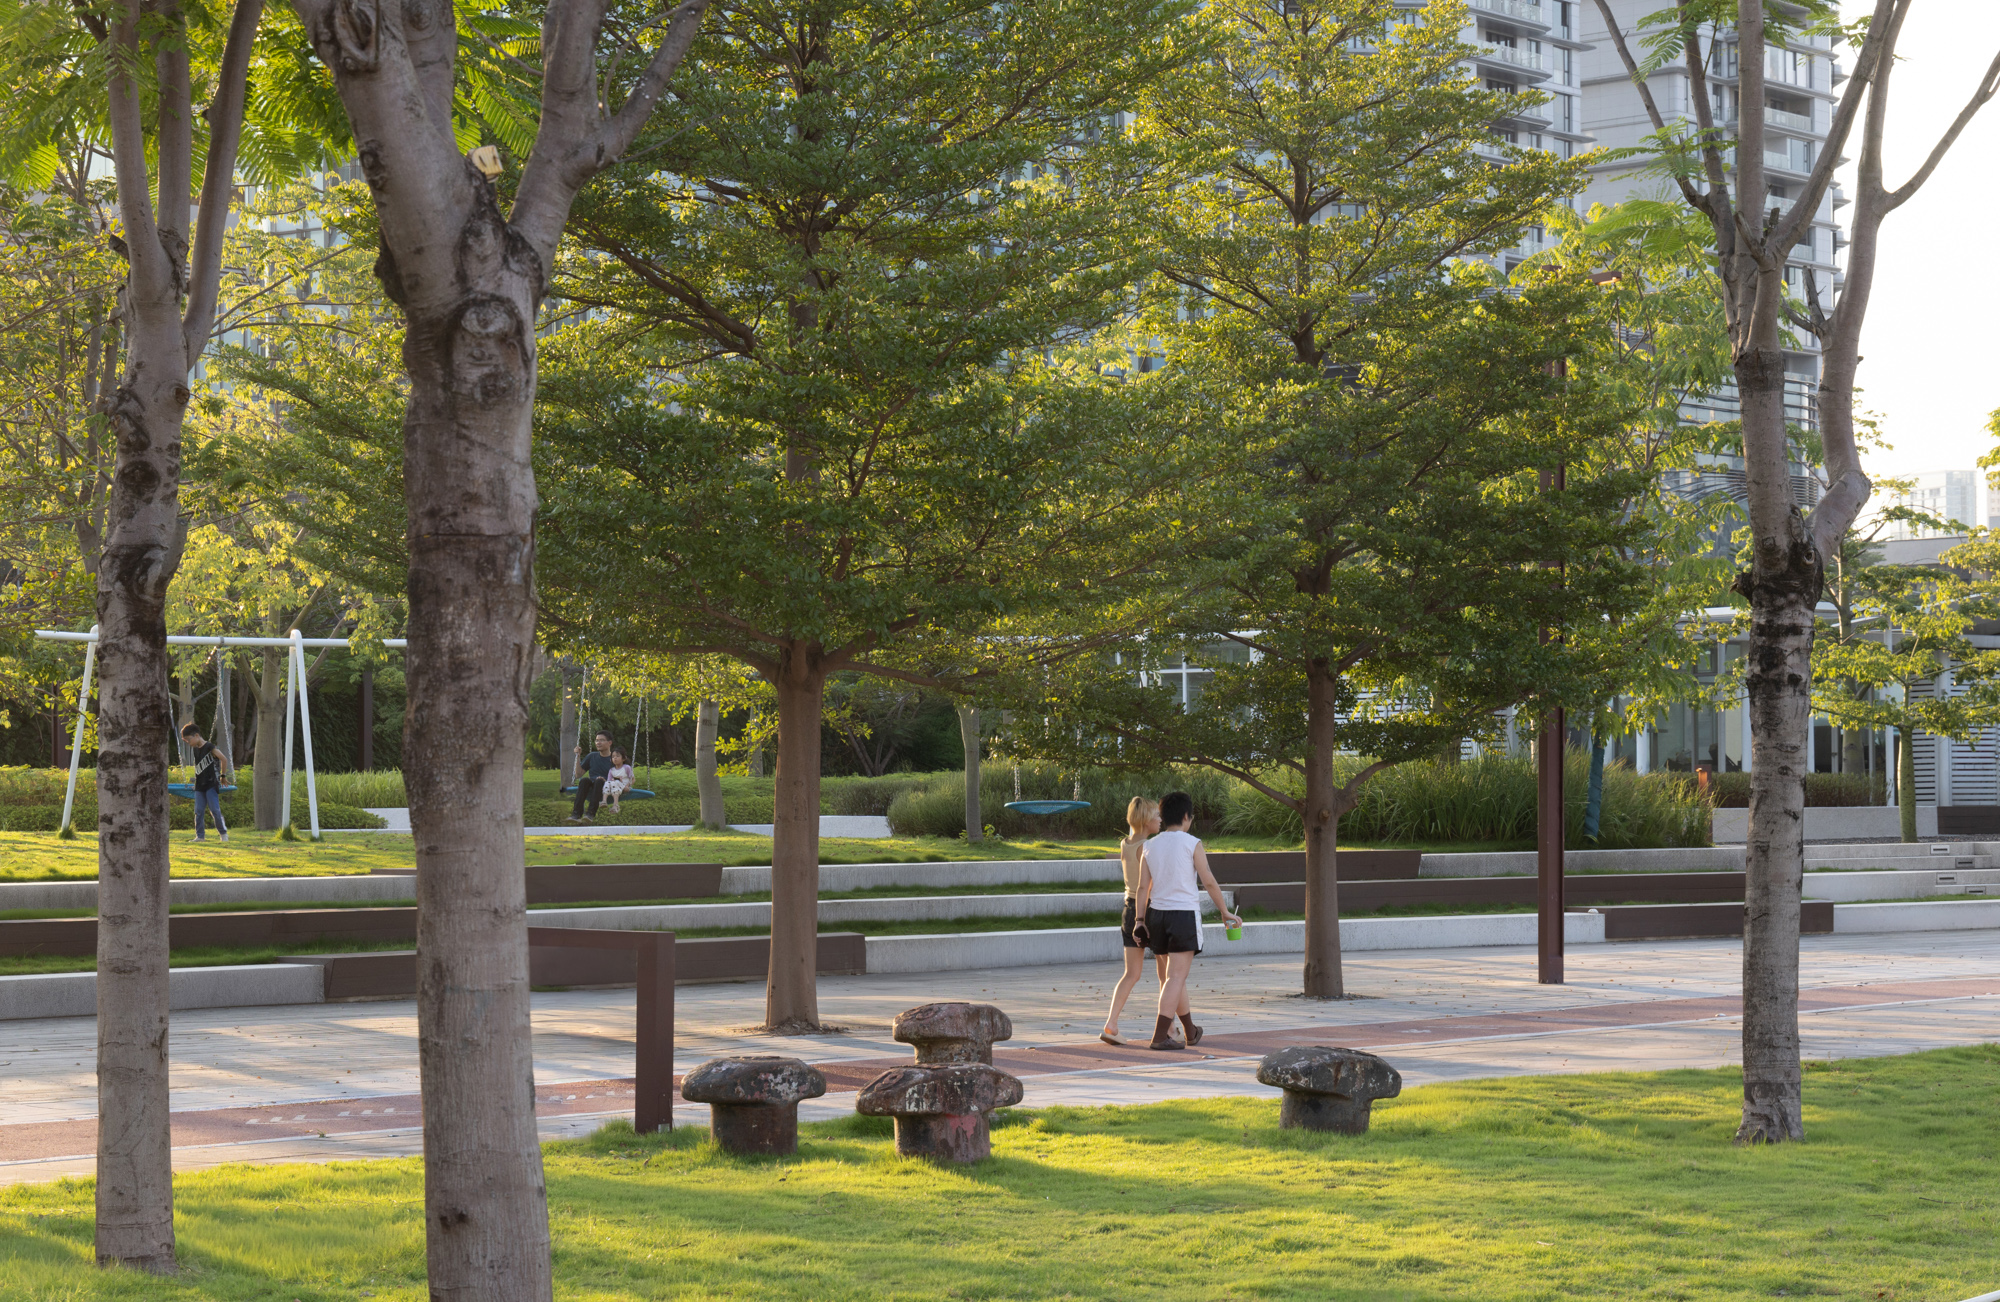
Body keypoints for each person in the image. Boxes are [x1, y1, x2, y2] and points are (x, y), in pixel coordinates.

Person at [1132, 790, 1239, 1051]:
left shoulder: (1149, 845)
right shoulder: (1192, 843)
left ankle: (1190, 1031)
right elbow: (1209, 880)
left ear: (1163, 816)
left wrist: (1139, 920)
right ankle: (1159, 1036)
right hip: (1182, 916)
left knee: (1173, 977)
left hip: (1156, 916)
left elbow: (1142, 888)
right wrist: (1225, 911)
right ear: (1186, 816)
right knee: (1176, 977)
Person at [1100, 796, 1191, 1046]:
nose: (1161, 820)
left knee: (1131, 973)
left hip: (1128, 910)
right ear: (1145, 820)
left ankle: (1111, 1024)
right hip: (1148, 911)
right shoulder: (1147, 846)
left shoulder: (1125, 843)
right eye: (1156, 816)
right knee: (1167, 974)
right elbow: (1147, 884)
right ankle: (1170, 1029)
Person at [180, 721, 232, 843]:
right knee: (198, 811)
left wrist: (223, 776)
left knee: (214, 810)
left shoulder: (209, 747)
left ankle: (223, 834)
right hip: (199, 785)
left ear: (196, 735)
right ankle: (200, 836)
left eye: (188, 739)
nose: (188, 742)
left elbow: (223, 759)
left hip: (211, 784)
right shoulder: (195, 750)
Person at [569, 731, 615, 822]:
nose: (598, 743)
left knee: (599, 781)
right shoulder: (592, 756)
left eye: (602, 740)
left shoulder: (615, 758)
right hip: (592, 786)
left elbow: (621, 776)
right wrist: (577, 756)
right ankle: (576, 814)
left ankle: (590, 814)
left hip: (607, 787)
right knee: (584, 780)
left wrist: (606, 780)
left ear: (609, 743)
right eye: (597, 740)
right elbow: (578, 774)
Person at [603, 749, 635, 813]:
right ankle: (604, 801)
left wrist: (627, 786)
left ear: (623, 758)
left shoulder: (626, 767)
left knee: (616, 782)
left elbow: (633, 779)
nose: (615, 758)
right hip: (615, 787)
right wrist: (603, 780)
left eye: (617, 756)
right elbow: (609, 782)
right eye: (613, 756)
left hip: (625, 787)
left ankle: (615, 805)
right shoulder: (611, 770)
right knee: (608, 782)